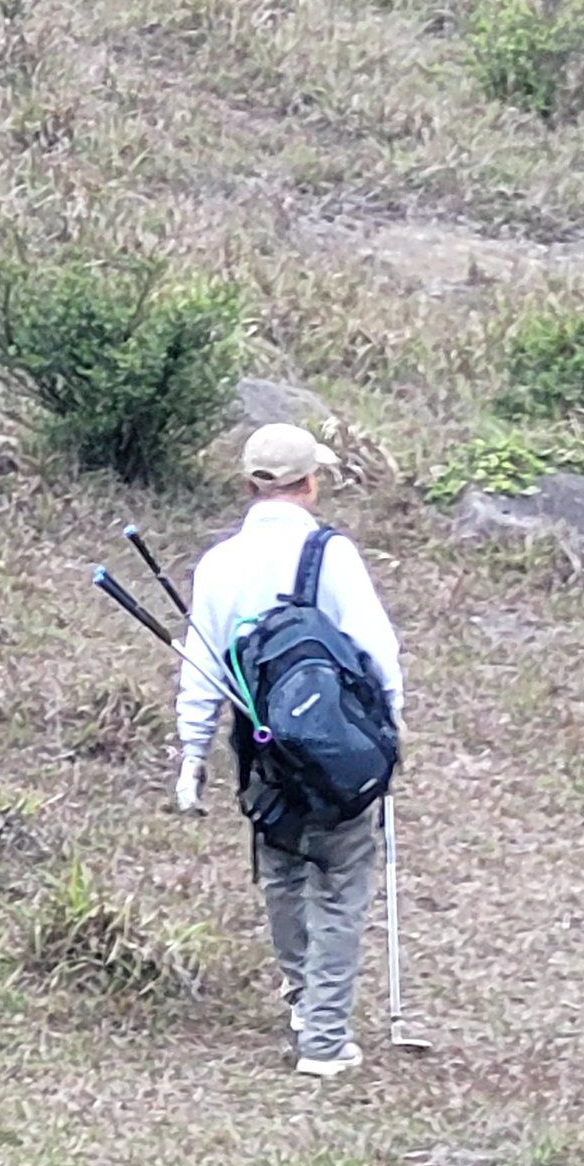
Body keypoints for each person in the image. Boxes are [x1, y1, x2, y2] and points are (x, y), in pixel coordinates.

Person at [174, 422, 404, 1078]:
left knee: (282, 870)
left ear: (250, 485)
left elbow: (202, 666)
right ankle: (325, 1042)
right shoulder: (333, 555)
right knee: (339, 882)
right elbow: (377, 652)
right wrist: (392, 732)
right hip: (337, 752)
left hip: (262, 749)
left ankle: (304, 1003)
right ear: (311, 483)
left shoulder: (217, 564)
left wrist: (192, 755)